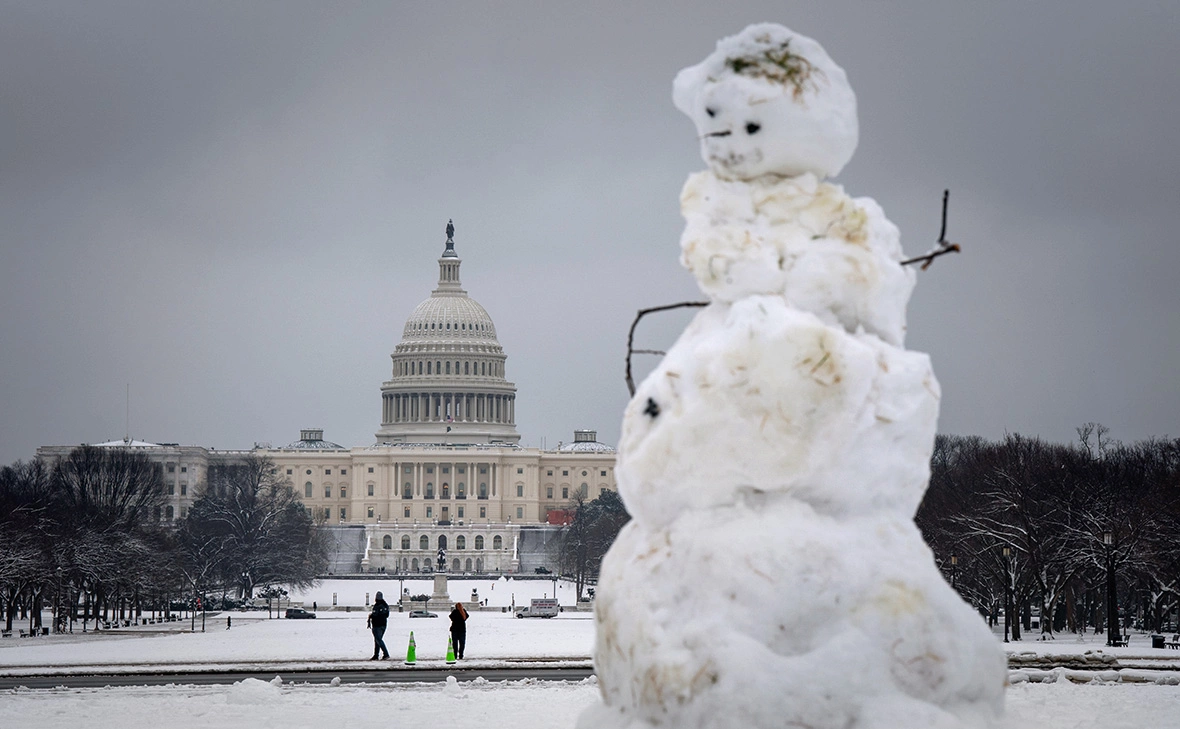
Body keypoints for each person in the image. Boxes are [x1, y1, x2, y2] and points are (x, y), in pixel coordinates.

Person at [367, 591, 390, 660]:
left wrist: (371, 616)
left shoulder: (376, 606)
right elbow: (387, 615)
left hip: (377, 625)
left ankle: (385, 654)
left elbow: (375, 615)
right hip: (384, 624)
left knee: (378, 640)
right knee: (378, 640)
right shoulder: (385, 605)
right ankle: (376, 655)